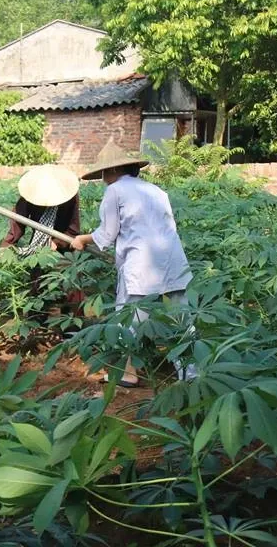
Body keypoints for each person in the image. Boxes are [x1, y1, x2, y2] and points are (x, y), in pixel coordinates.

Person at [70, 140, 195, 387]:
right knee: (183, 320)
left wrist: (82, 239)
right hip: (173, 261)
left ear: (113, 171)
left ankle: (128, 373)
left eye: (104, 172)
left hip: (141, 265)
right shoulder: (155, 190)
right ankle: (191, 374)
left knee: (127, 320)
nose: (104, 177)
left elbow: (107, 234)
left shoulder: (115, 191)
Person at [0, 164, 85, 325]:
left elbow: (74, 229)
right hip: (38, 245)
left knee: (71, 285)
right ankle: (37, 325)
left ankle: (72, 328)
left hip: (65, 245)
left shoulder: (70, 196)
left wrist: (56, 242)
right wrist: (7, 245)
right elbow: (18, 220)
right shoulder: (29, 196)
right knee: (37, 284)